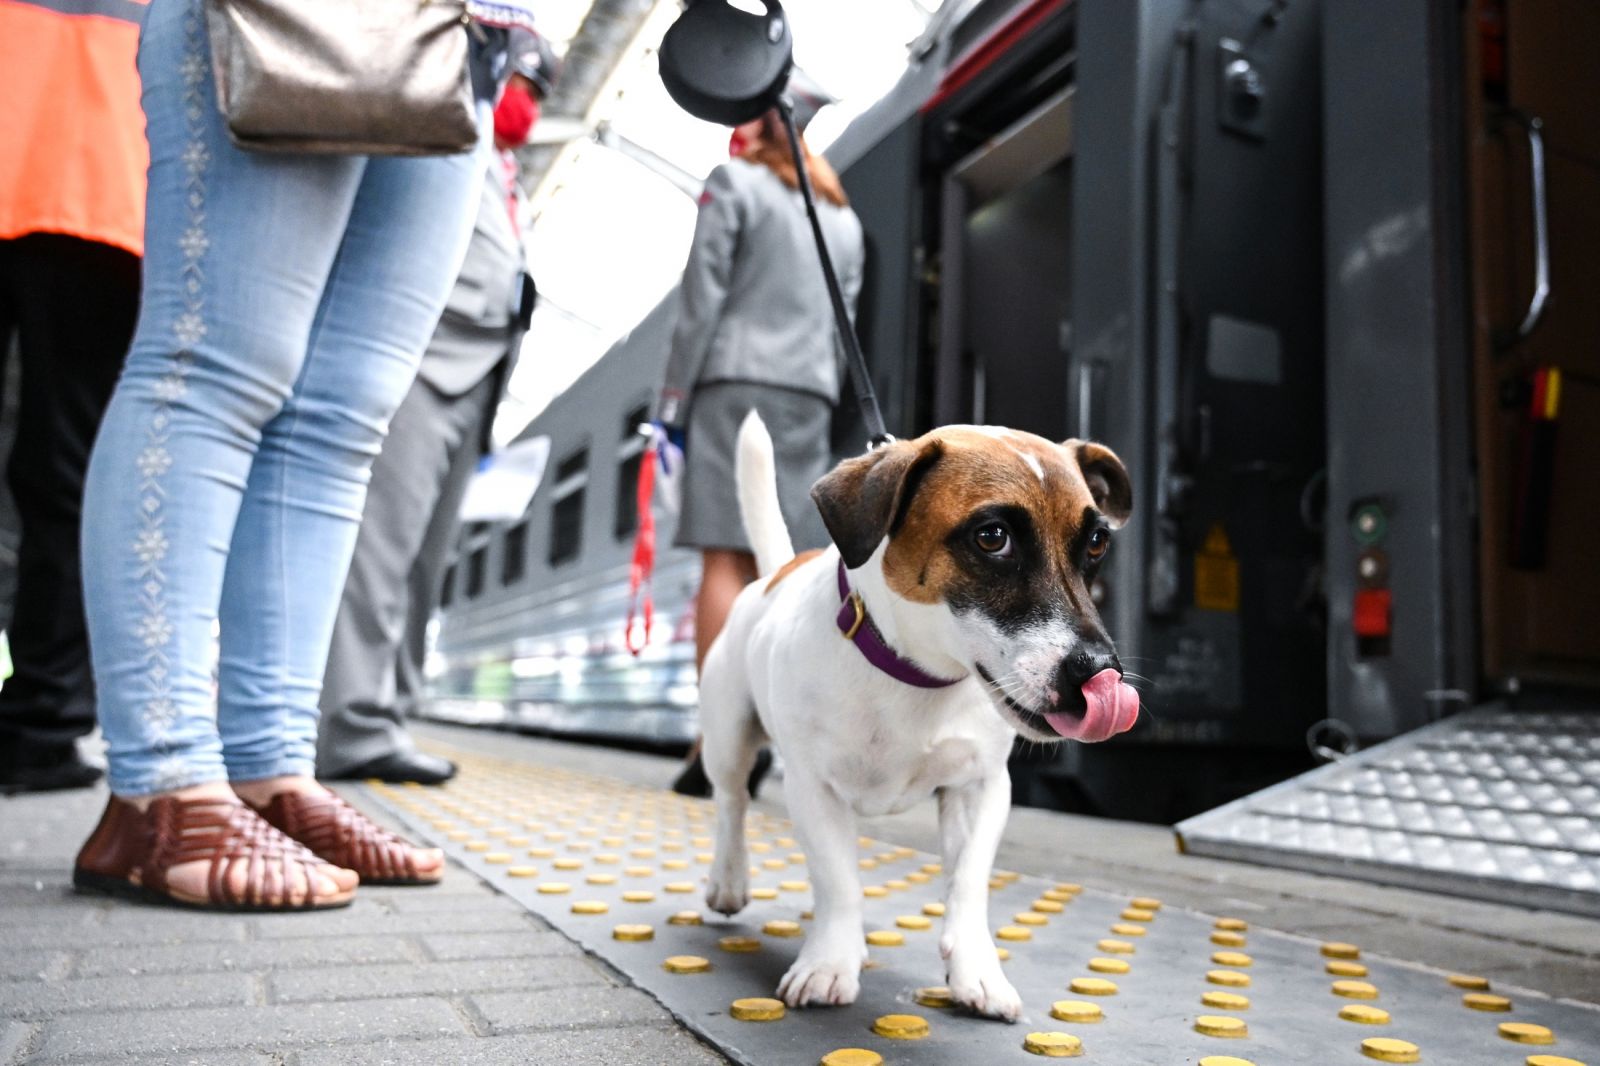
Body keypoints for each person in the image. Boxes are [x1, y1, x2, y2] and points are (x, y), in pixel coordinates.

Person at [71, 0, 506, 911]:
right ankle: (158, 789)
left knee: (341, 422)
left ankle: (267, 770)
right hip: (295, 15)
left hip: (462, 39)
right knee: (211, 368)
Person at [317, 31, 555, 787]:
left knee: (423, 556)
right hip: (421, 346)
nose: (531, 103)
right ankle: (349, 722)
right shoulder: (435, 109)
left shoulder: (504, 167)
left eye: (541, 93)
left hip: (479, 370)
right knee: (380, 545)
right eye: (524, 81)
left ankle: (387, 708)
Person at [655, 89, 864, 798]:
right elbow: (847, 326)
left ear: (760, 125)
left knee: (725, 552)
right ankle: (778, 725)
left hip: (732, 382)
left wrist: (673, 405)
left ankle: (714, 740)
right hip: (807, 395)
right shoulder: (842, 219)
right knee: (780, 562)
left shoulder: (733, 183)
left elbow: (702, 298)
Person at [0, 0, 147, 794]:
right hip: (102, 163)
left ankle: (42, 724)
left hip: (87, 151)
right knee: (70, 475)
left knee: (67, 474)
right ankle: (40, 726)